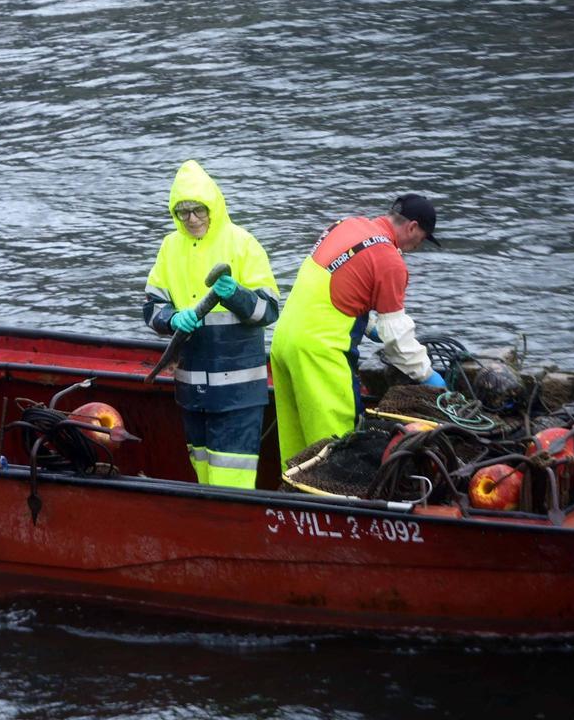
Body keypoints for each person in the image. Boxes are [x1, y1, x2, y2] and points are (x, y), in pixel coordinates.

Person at [270, 194, 446, 467]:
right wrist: (428, 375)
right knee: (338, 449)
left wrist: (370, 326)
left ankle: (291, 491)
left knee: (297, 449)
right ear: (412, 227)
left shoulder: (345, 225)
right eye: (421, 239)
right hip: (320, 353)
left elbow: (337, 291)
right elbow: (397, 342)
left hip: (283, 344)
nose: (416, 247)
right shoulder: (390, 261)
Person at [144, 160, 280, 489]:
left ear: (213, 207)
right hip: (192, 390)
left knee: (232, 480)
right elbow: (151, 308)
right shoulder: (169, 248)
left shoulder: (243, 243)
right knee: (203, 473)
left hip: (238, 394)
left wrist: (236, 295)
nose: (191, 219)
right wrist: (172, 318)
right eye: (182, 212)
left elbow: (269, 311)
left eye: (198, 210)